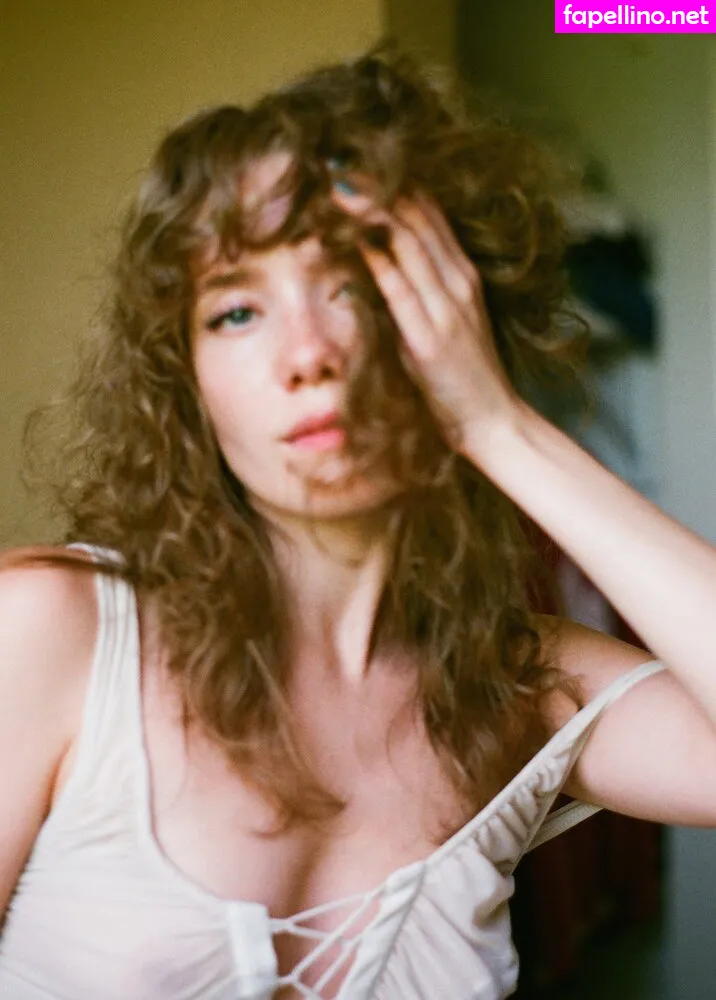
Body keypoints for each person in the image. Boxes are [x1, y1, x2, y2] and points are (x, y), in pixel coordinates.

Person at [1, 49, 715, 1000]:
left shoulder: (518, 690)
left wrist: (498, 426)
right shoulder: (51, 631)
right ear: (189, 380)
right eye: (237, 311)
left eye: (355, 288)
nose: (307, 354)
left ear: (454, 328)